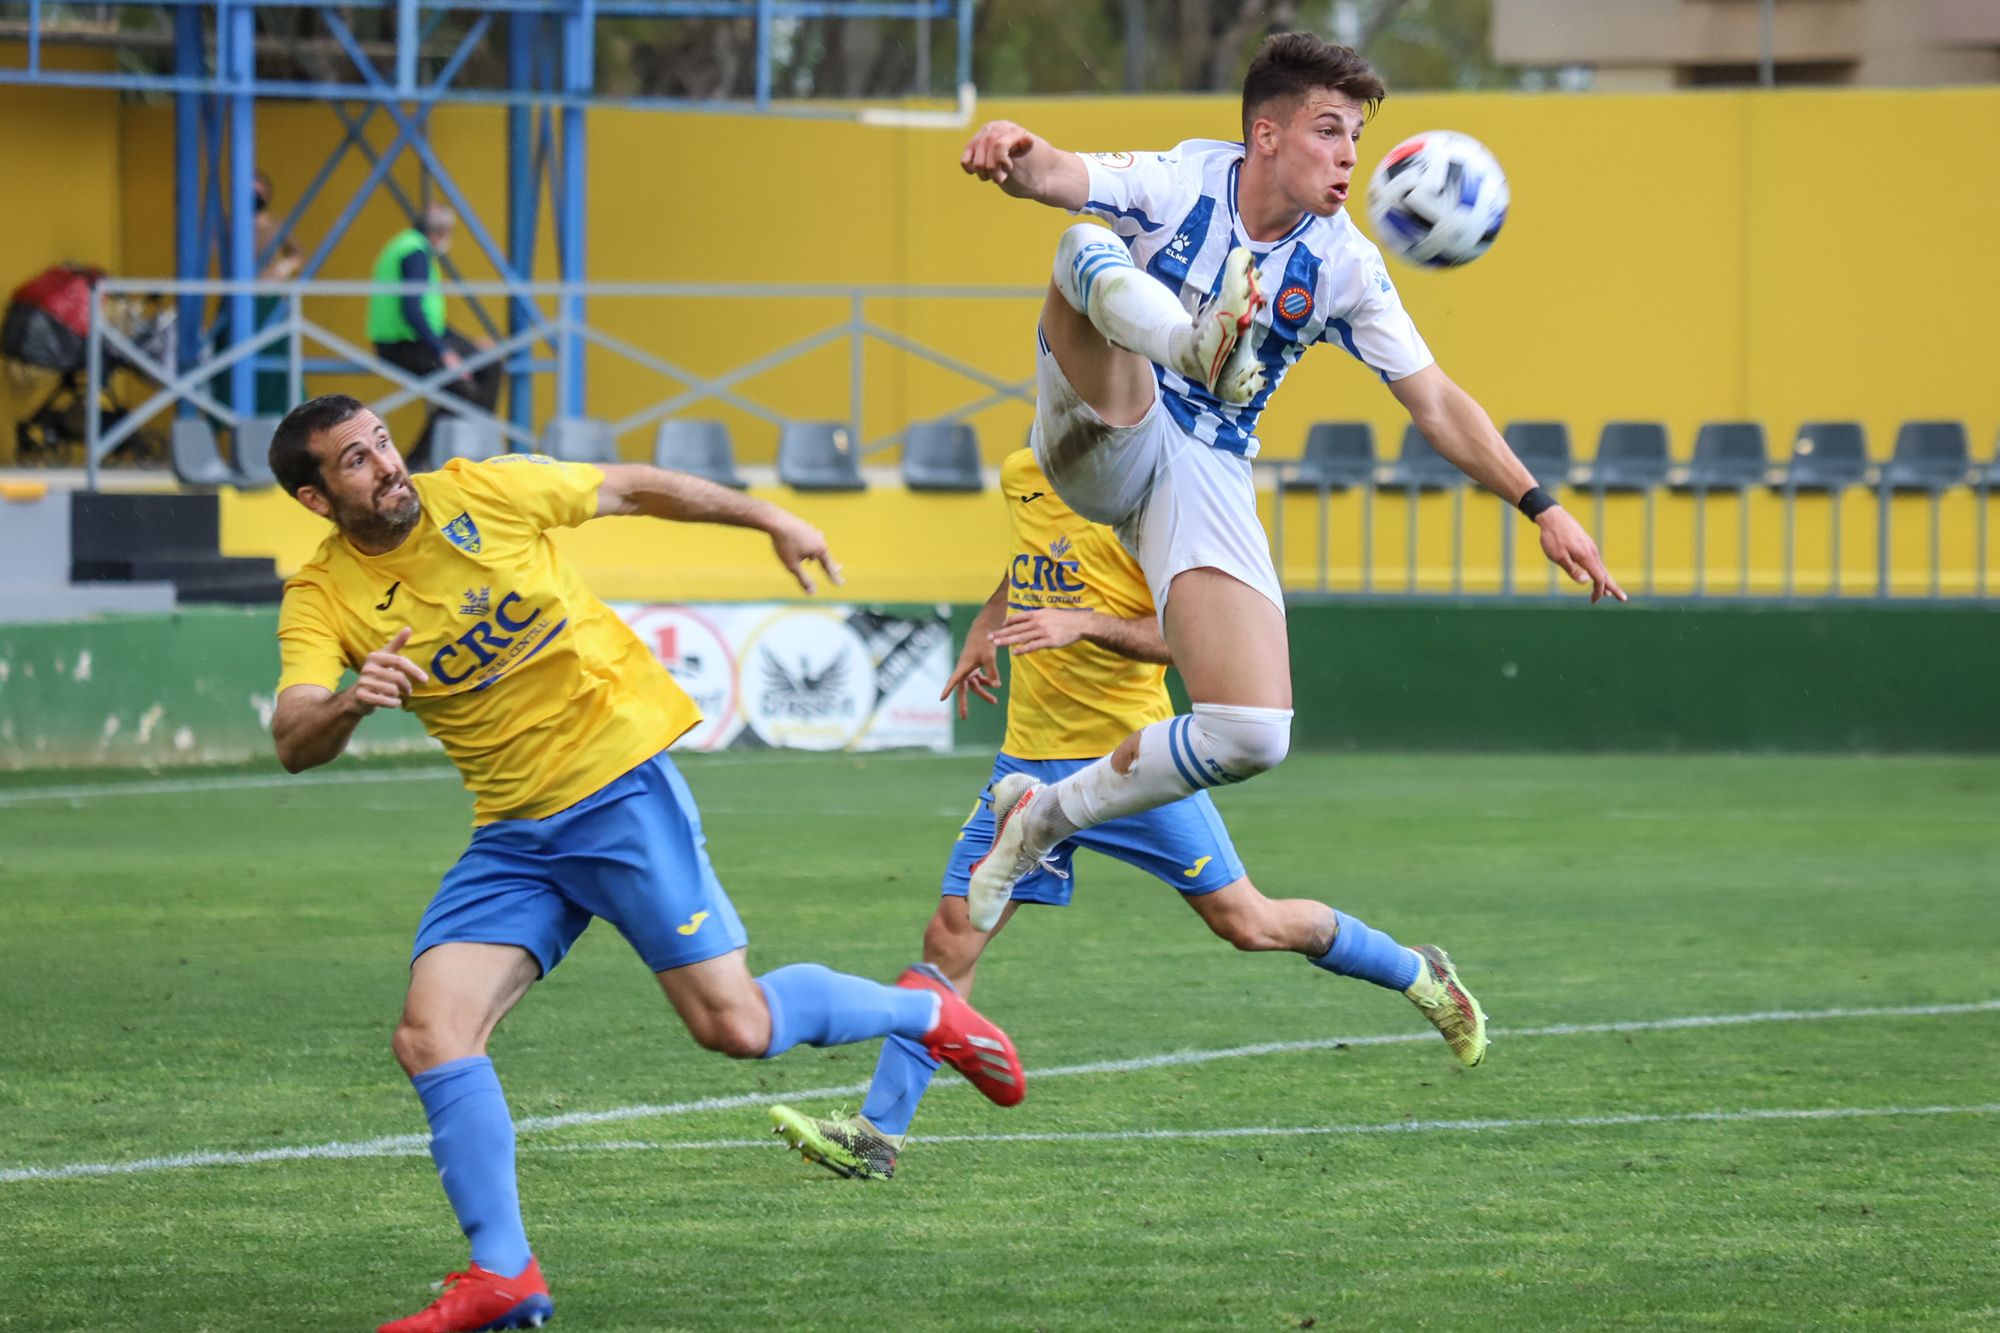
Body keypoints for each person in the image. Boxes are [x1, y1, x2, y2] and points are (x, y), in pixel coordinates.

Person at [265, 394, 1026, 1333]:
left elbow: (630, 487)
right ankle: (504, 1274)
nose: (386, 464)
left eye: (383, 440)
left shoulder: (487, 492)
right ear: (315, 497)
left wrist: (771, 516)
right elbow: (294, 733)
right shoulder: (322, 593)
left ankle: (927, 1009)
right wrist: (349, 701)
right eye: (354, 460)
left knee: (736, 1026)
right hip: (515, 832)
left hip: (616, 787)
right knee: (431, 1034)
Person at [955, 33, 1626, 927]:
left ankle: (1039, 821)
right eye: (1329, 130)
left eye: (1356, 135)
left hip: (1205, 466)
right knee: (1081, 245)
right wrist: (1009, 144)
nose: (1350, 154)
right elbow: (1059, 174)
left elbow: (1436, 402)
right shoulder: (1181, 180)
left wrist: (1539, 505)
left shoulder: (1347, 265)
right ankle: (1189, 342)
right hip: (1097, 419)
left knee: (1251, 733)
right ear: (1265, 136)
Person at [766, 448, 1484, 1180]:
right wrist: (987, 628)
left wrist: (1083, 623)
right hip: (1029, 759)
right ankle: (876, 1135)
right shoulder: (1023, 471)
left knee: (1248, 922)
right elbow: (1025, 566)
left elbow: (1187, 638)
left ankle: (1417, 971)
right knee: (953, 935)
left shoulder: (1147, 490)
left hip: (1131, 765)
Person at [368, 206, 502, 470]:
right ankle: (422, 461)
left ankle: (443, 453)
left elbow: (431, 320)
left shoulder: (406, 245)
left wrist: (467, 345)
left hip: (411, 338)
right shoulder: (415, 253)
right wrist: (445, 352)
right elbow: (413, 312)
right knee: (462, 391)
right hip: (402, 342)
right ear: (440, 233)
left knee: (484, 366)